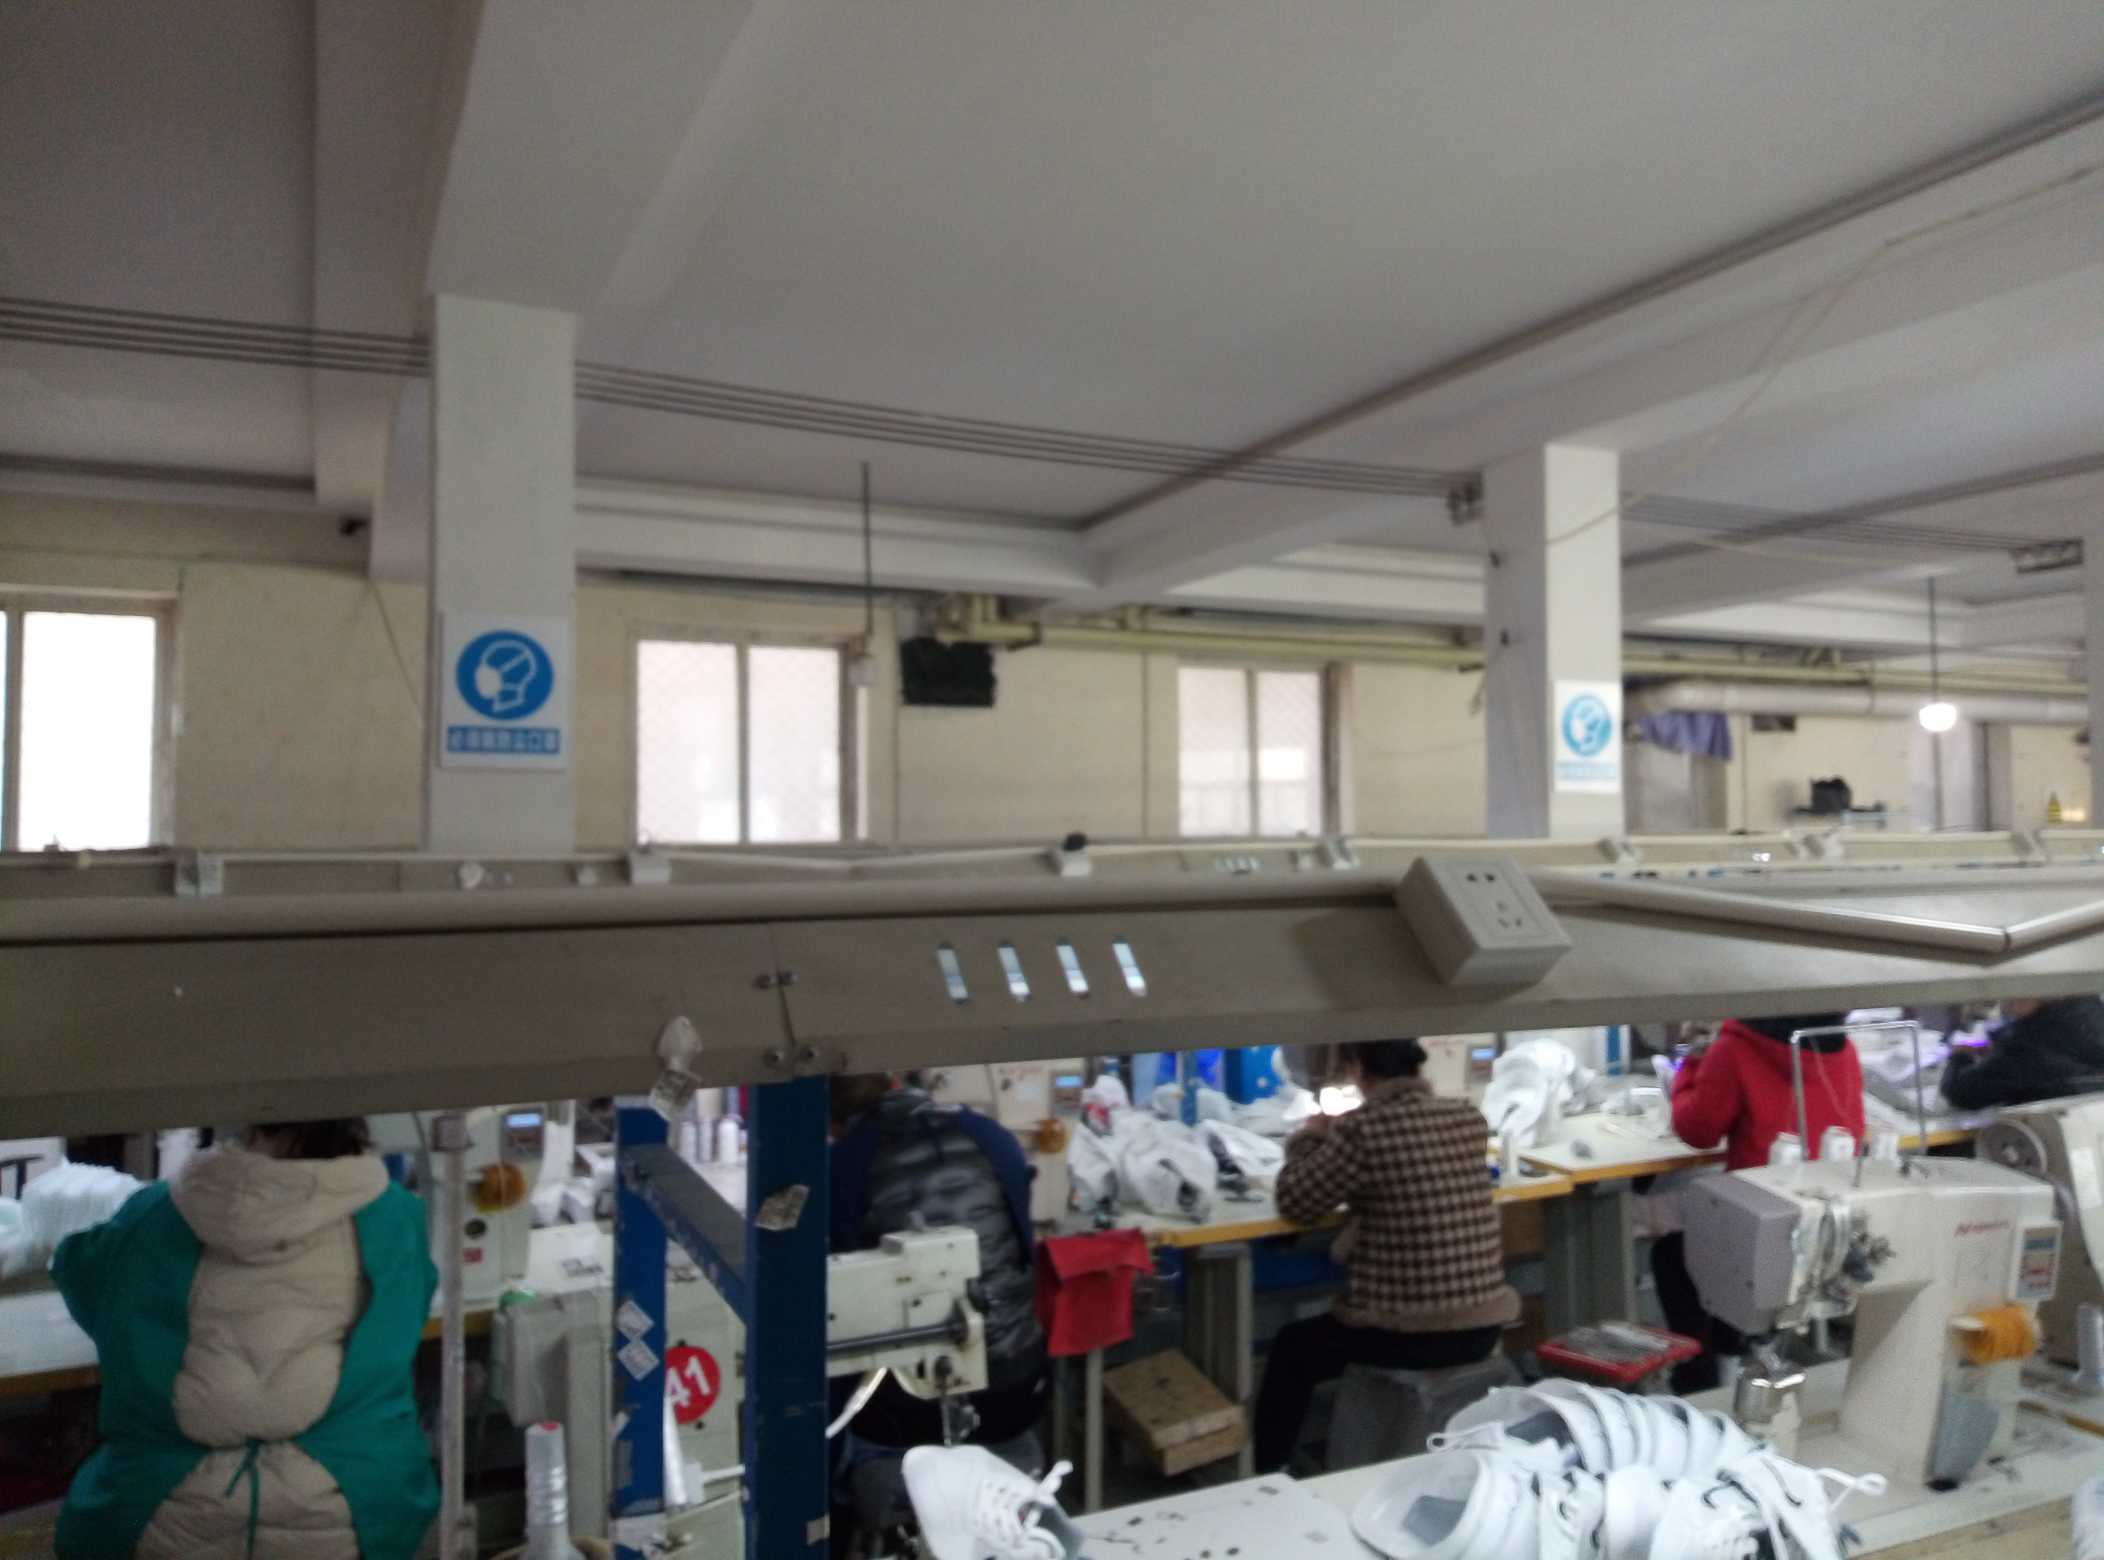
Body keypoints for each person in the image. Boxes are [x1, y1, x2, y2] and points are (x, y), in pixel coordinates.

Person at [52, 1118, 438, 1560]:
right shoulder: (397, 1219)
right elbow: (410, 1308)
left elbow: (81, 1279)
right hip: (352, 1512)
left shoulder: (150, 1217)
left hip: (164, 1512)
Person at [1256, 1039, 1516, 1473]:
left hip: (1409, 1333)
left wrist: (1311, 1136)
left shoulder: (1364, 1130)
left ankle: (1266, 1474)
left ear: (1358, 1068)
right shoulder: (1467, 1117)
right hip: (1482, 1326)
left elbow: (1295, 1201)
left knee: (1292, 1349)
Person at [828, 1075, 1051, 1523]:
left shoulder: (845, 1162)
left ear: (832, 1121)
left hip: (907, 1415)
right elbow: (1022, 1248)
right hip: (1015, 1391)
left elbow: (838, 1289)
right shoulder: (992, 1136)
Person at [1655, 1012, 1863, 1391]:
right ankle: (1734, 1348)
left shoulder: (1735, 1048)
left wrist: (1694, 1056)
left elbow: (1696, 1130)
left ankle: (1700, 1382)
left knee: (1671, 1255)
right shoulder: (1842, 1049)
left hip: (1759, 1236)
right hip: (1826, 1231)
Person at [1942, 995, 2104, 1109]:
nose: (2002, 1000)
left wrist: (1959, 1055)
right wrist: (1996, 1049)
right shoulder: (2092, 1011)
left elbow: (1961, 1093)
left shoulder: (2026, 1045)